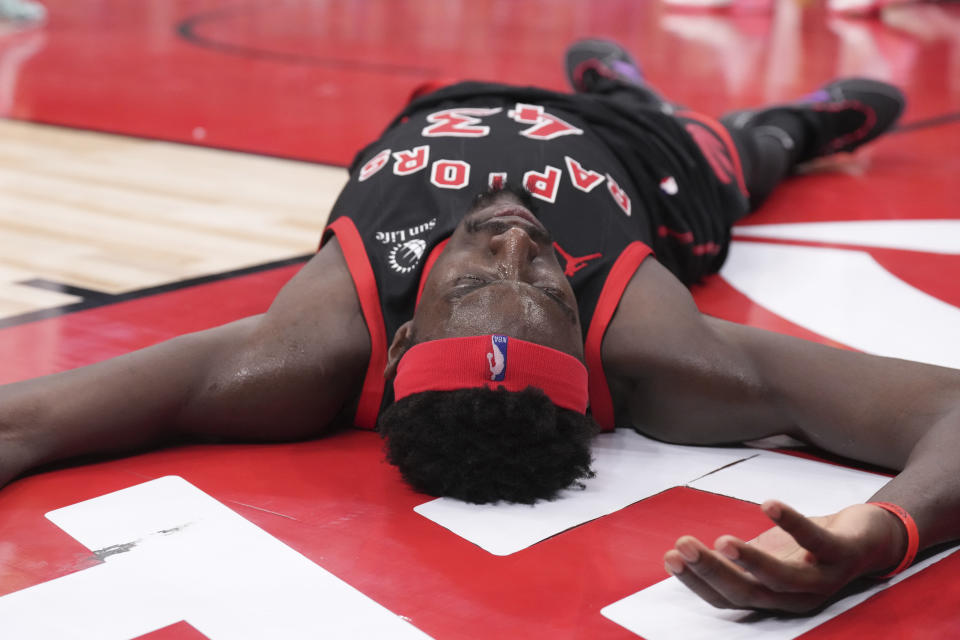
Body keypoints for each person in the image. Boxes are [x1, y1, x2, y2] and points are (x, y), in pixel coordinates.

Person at [1, 39, 956, 616]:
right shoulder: (662, 350)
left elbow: (22, 421)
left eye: (479, 283)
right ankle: (790, 121)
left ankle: (619, 78)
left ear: (406, 338)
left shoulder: (299, 350)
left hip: (447, 108)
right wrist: (885, 531)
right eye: (547, 284)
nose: (514, 240)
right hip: (639, 160)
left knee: (493, 91)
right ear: (584, 341)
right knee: (737, 152)